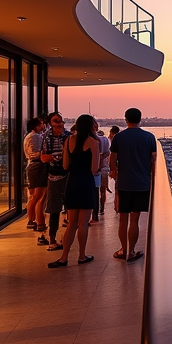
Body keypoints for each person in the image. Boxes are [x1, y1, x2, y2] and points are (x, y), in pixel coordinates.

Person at [49, 114, 100, 268]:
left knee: (71, 224)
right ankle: (82, 255)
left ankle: (64, 257)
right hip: (86, 183)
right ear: (91, 126)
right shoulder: (93, 143)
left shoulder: (69, 141)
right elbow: (94, 169)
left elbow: (65, 166)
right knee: (83, 224)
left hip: (72, 183)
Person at [109, 107, 156, 262]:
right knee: (134, 220)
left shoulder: (118, 138)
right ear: (140, 119)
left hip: (124, 183)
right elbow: (153, 160)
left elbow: (112, 161)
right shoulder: (149, 137)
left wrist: (114, 172)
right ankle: (132, 251)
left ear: (125, 119)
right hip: (142, 184)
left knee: (123, 219)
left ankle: (123, 249)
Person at [39, 112, 68, 249]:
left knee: (70, 208)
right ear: (50, 123)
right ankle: (52, 238)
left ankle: (65, 238)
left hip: (68, 175)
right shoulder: (46, 138)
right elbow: (43, 157)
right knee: (54, 208)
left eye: (61, 121)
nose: (59, 124)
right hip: (54, 176)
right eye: (56, 121)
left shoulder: (68, 136)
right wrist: (54, 157)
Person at [23, 117, 47, 231]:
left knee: (33, 195)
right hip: (37, 166)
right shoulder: (36, 137)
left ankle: (31, 219)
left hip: (32, 166)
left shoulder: (29, 137)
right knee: (39, 196)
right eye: (42, 124)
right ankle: (36, 220)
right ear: (37, 126)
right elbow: (36, 153)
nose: (43, 126)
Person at [92, 121, 111, 222]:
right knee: (102, 190)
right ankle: (101, 209)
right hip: (103, 168)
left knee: (94, 191)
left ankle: (94, 213)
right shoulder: (105, 140)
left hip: (95, 170)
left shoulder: (93, 140)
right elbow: (107, 153)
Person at [107, 125, 120, 212]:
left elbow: (113, 156)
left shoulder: (116, 139)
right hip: (119, 167)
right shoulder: (120, 139)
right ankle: (117, 205)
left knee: (117, 187)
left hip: (117, 167)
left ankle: (117, 206)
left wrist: (112, 169)